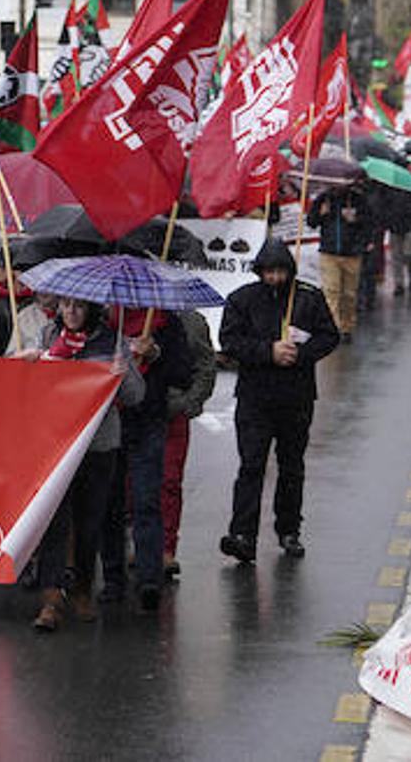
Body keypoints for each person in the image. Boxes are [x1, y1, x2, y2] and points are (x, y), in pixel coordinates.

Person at [14, 297, 141, 632]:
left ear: (92, 311)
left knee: (89, 521)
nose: (70, 313)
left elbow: (135, 396)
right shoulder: (46, 337)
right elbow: (27, 386)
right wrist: (30, 363)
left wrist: (121, 375)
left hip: (98, 446)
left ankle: (83, 588)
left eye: (79, 307)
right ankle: (51, 597)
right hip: (56, 446)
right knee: (53, 523)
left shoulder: (111, 343)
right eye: (66, 306)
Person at [218, 241, 341, 564]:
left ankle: (289, 529)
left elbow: (330, 336)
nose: (274, 278)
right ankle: (243, 534)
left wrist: (301, 354)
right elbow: (230, 342)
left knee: (291, 467)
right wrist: (267, 351)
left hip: (296, 398)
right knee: (251, 466)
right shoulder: (242, 300)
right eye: (268, 272)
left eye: (280, 271)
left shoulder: (308, 298)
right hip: (255, 399)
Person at [110, 306, 192, 611]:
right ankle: (113, 579)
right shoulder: (107, 321)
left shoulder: (167, 323)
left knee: (147, 500)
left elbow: (183, 373)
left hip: (149, 423)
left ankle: (149, 578)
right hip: (111, 422)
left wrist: (156, 354)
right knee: (112, 504)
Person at [161, 306, 216, 577]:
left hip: (173, 413)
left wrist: (189, 404)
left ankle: (166, 548)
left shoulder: (192, 322)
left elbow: (206, 366)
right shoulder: (123, 315)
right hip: (137, 414)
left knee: (169, 482)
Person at [307, 179, 371, 340]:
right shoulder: (323, 199)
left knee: (349, 294)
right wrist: (320, 214)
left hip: (352, 253)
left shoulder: (357, 199)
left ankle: (347, 326)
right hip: (329, 252)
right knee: (331, 291)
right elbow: (311, 222)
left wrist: (355, 219)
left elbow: (370, 222)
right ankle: (333, 329)